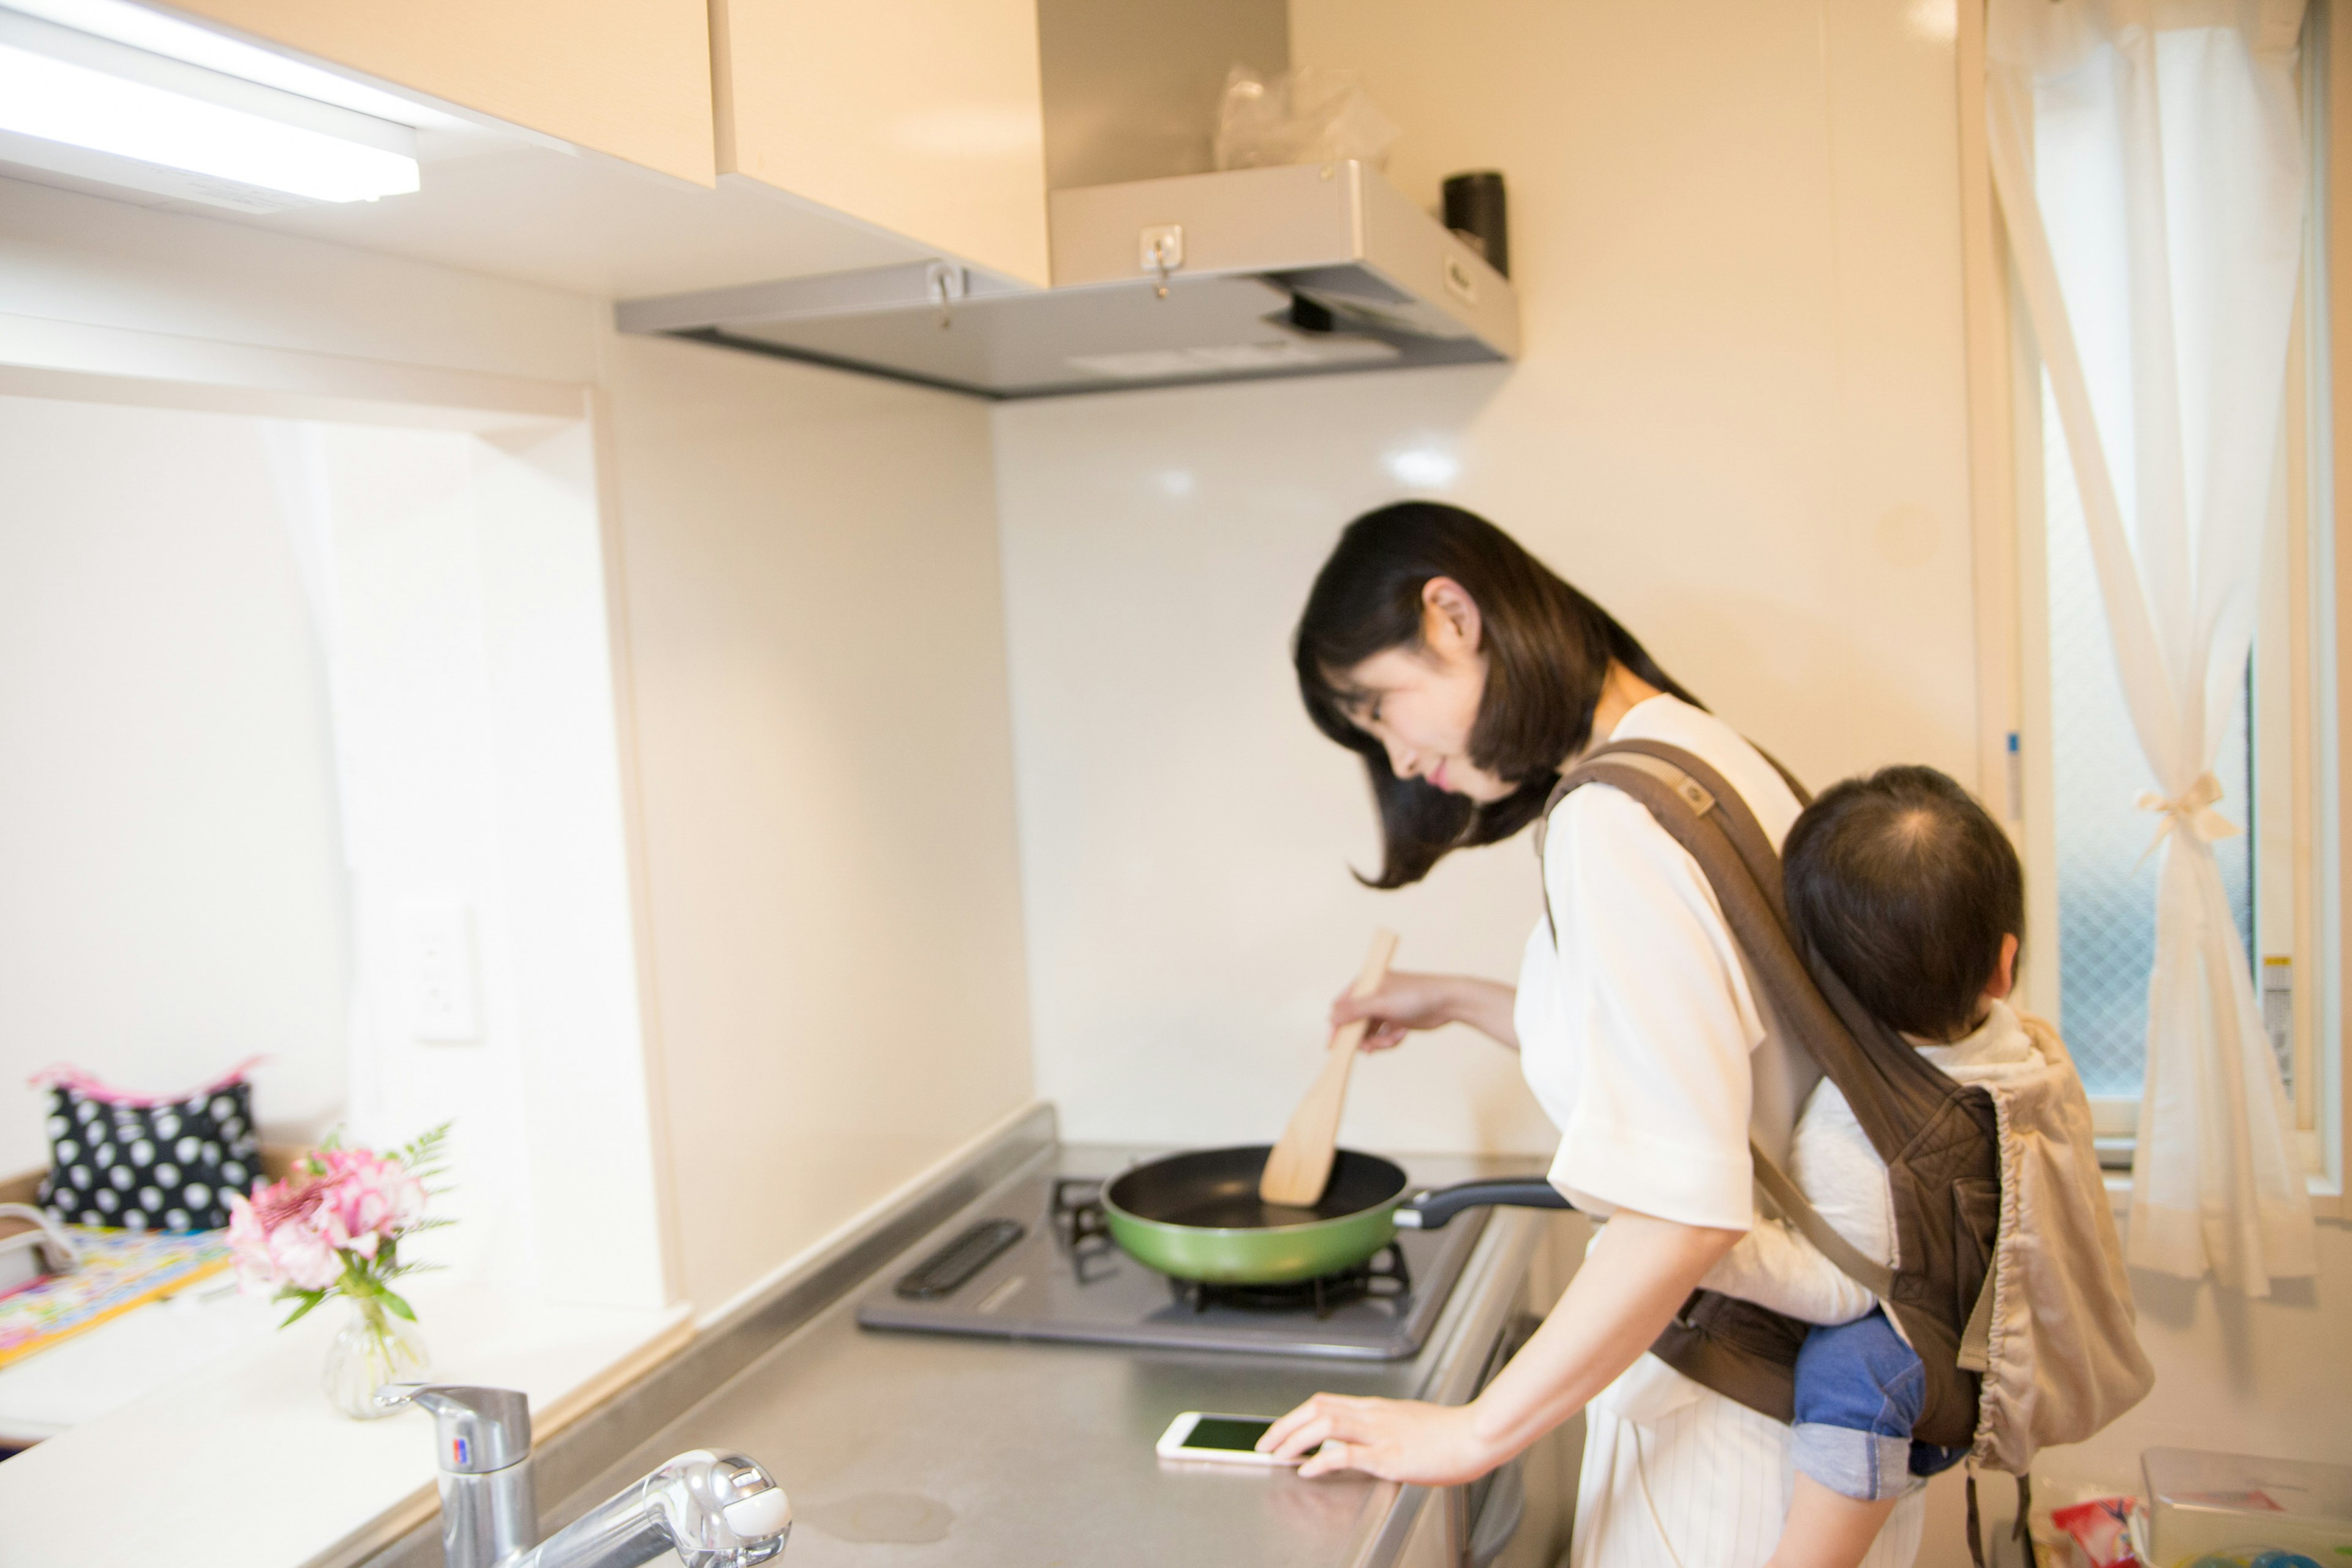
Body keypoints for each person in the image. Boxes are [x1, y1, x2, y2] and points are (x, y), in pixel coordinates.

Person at [1257, 501, 1926, 1567]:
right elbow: (1709, 1070)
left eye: (1381, 707)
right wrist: (1464, 1001)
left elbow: (1682, 1211)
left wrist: (1468, 1433)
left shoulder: (1608, 821)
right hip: (1809, 1421)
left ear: (1453, 615)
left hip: (1731, 1443)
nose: (1398, 757)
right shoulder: (1696, 748)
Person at [1699, 766, 2034, 1568]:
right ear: (2003, 965)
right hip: (1969, 1326)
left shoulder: (1866, 1131)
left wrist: (1707, 1249)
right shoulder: (2008, 1040)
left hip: (1910, 1366)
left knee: (1852, 1362)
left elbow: (1839, 1284)